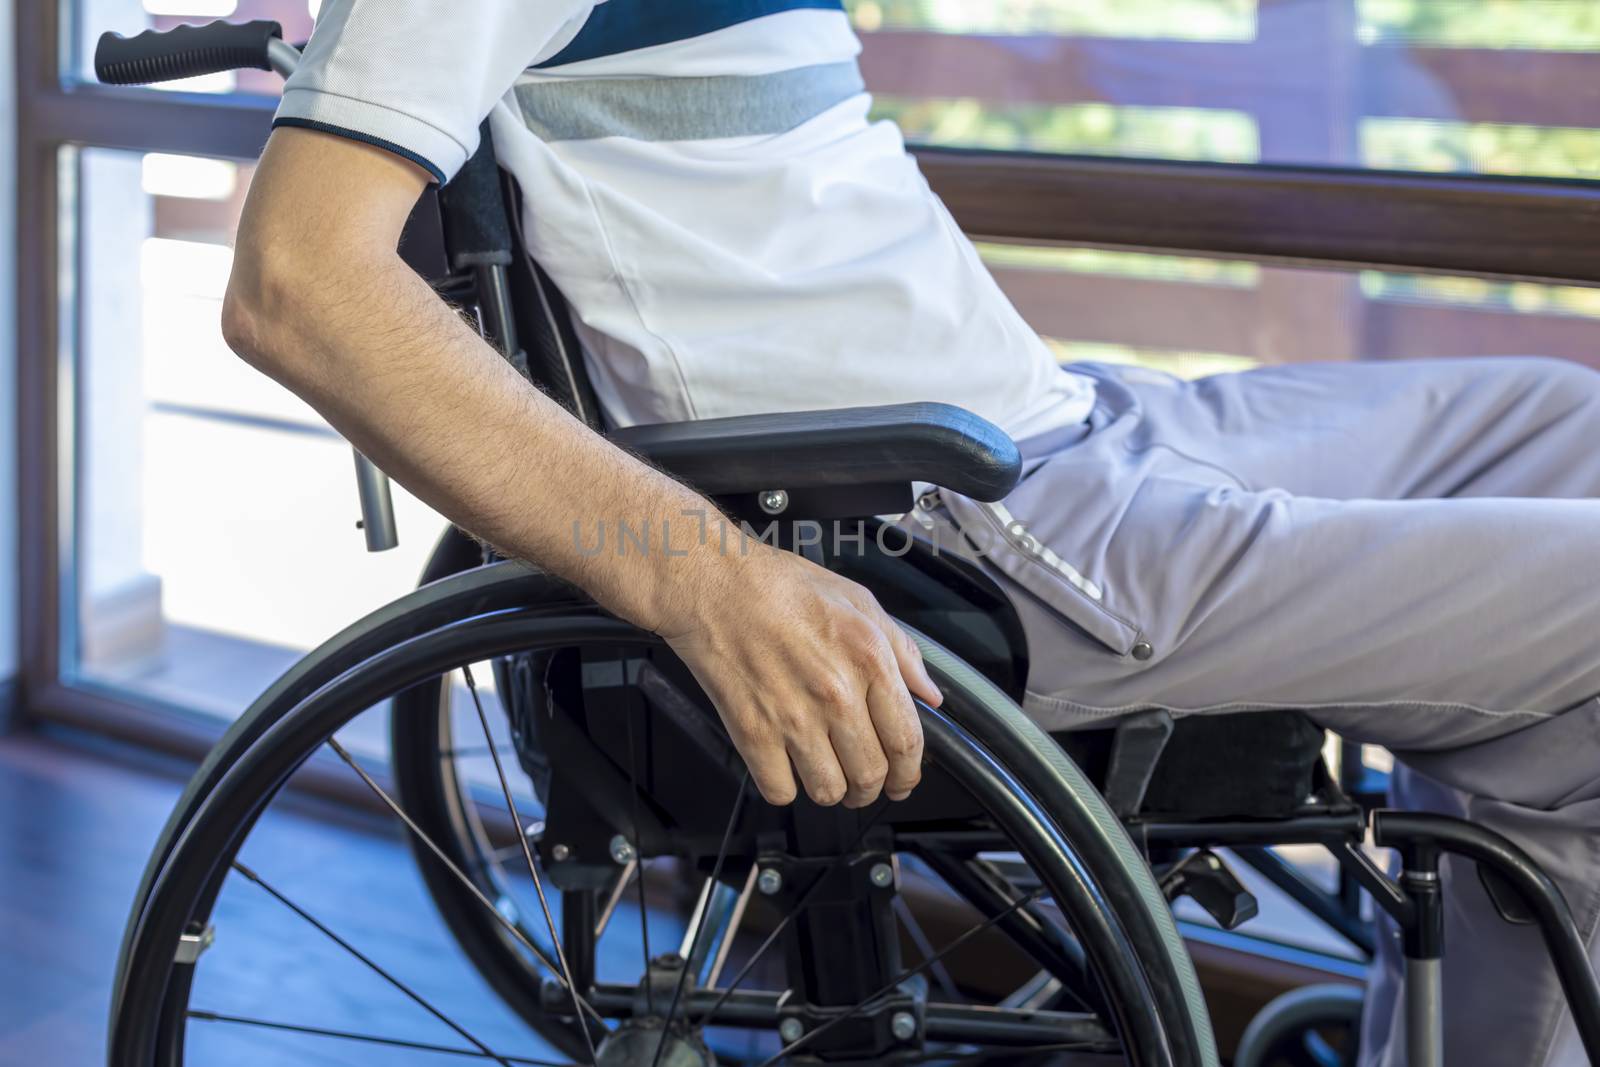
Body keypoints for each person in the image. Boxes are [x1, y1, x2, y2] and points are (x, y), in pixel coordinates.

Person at [221, 2, 1600, 1064]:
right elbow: (298, 284)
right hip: (954, 516)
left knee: (1564, 422)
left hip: (1071, 425)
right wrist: (708, 581)